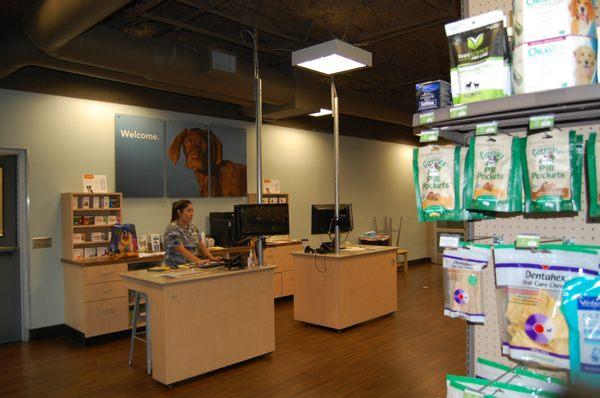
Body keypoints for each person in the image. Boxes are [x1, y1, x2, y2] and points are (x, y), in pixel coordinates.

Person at [164, 200, 220, 267]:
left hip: (191, 265)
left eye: (192, 211)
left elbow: (201, 245)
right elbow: (182, 250)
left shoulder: (192, 227)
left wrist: (212, 258)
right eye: (188, 211)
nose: (192, 214)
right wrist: (198, 261)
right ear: (179, 212)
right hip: (175, 267)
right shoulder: (172, 229)